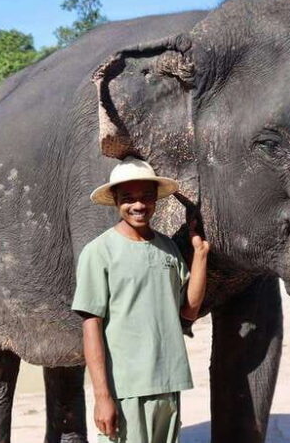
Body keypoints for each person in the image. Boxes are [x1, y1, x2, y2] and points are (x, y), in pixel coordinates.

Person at [71, 156, 209, 443]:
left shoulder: (168, 248)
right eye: (128, 198)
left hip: (168, 381)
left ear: (156, 200)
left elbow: (189, 311)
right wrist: (102, 396)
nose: (138, 205)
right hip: (126, 387)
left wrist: (200, 254)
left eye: (146, 197)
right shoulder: (99, 252)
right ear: (116, 201)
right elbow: (91, 326)